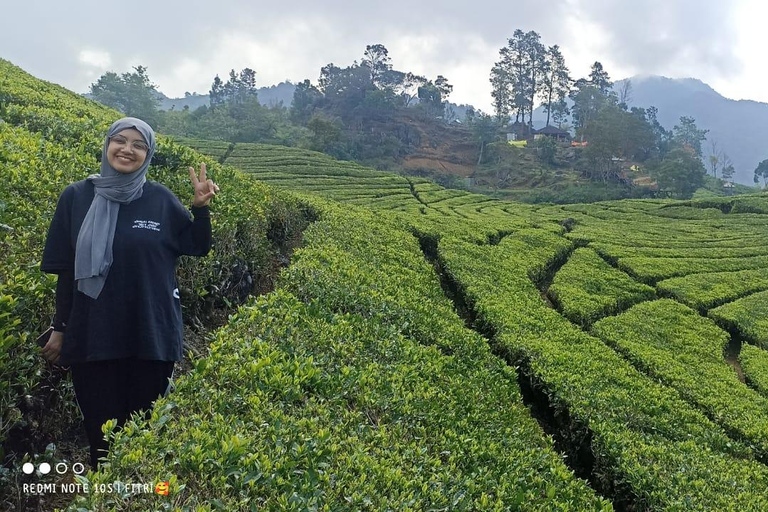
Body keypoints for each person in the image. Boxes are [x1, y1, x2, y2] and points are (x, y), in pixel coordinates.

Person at [40, 117, 219, 468]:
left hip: (150, 334)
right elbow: (66, 273)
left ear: (148, 154)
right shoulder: (77, 197)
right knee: (102, 439)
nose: (127, 149)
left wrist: (200, 209)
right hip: (94, 335)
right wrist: (61, 328)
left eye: (139, 145)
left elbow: (197, 246)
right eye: (120, 141)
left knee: (140, 439)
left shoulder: (160, 199)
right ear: (107, 146)